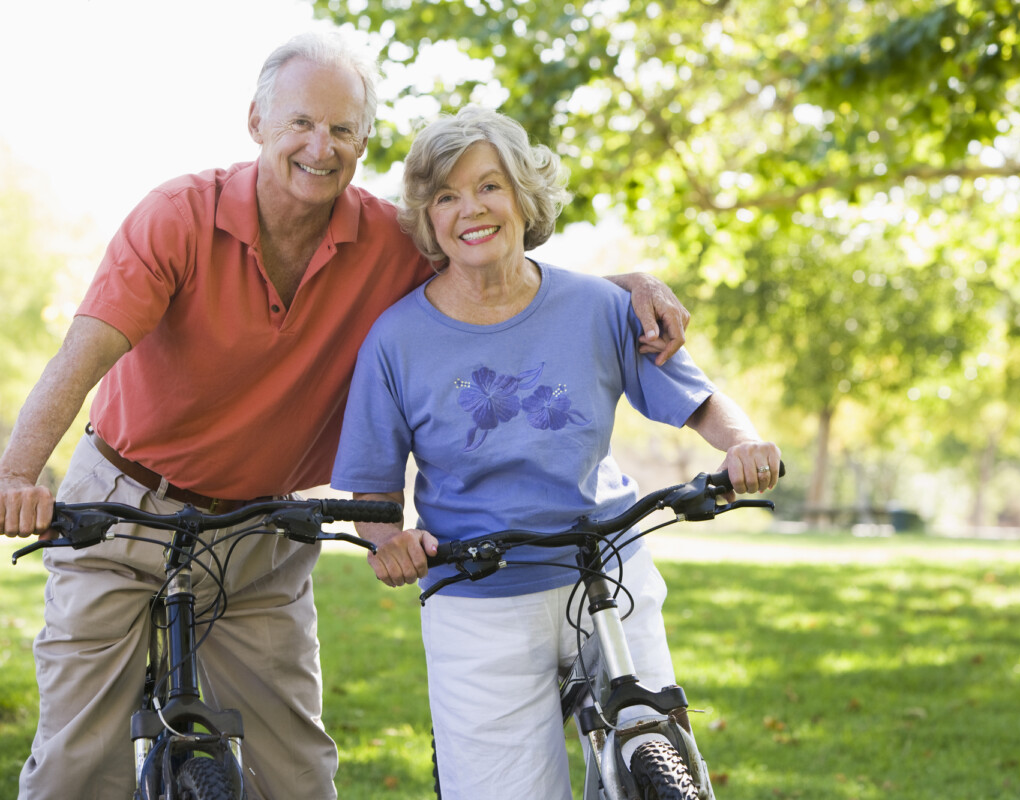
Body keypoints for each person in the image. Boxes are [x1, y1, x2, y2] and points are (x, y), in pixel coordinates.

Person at [0, 34, 690, 800]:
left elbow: (501, 269)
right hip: (124, 509)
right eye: (300, 123)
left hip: (262, 532)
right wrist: (18, 473)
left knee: (295, 773)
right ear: (257, 121)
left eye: (342, 130)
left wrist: (621, 288)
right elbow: (83, 353)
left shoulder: (389, 241)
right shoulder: (178, 217)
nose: (319, 147)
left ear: (363, 142)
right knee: (76, 764)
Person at [330, 106, 782, 799]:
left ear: (523, 196)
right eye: (446, 195)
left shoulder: (599, 307)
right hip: (477, 590)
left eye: (489, 186)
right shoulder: (395, 340)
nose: (470, 209)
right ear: (427, 217)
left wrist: (745, 444)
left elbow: (700, 402)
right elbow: (369, 492)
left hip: (608, 569)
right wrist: (388, 541)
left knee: (658, 754)